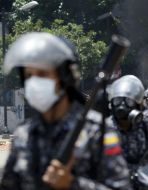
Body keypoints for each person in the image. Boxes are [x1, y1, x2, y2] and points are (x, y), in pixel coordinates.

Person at [0, 32, 131, 190]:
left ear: (64, 77)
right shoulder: (24, 134)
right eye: (28, 75)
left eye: (42, 74)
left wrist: (73, 184)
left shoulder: (97, 131)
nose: (34, 82)